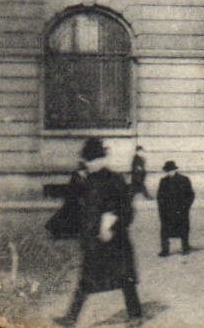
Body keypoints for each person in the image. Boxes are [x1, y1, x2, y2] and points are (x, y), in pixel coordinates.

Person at [56, 137, 144, 328]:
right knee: (86, 280)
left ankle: (136, 316)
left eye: (89, 161)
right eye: (86, 162)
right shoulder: (87, 180)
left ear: (98, 160)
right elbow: (74, 206)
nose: (87, 165)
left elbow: (126, 209)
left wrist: (111, 224)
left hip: (115, 239)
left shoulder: (114, 179)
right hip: (95, 241)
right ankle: (71, 318)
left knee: (125, 278)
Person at [156, 160, 194, 256]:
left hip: (181, 210)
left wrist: (186, 206)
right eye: (167, 171)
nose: (169, 173)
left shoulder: (184, 180)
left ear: (175, 170)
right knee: (165, 231)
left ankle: (185, 247)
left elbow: (191, 194)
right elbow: (159, 196)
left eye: (171, 170)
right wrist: (161, 208)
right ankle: (165, 249)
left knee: (183, 229)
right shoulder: (163, 181)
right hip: (167, 211)